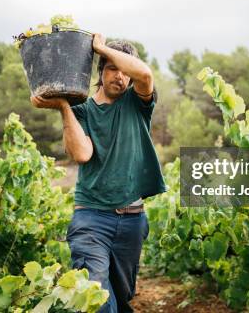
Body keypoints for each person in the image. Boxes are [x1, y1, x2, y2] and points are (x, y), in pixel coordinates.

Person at [31, 33, 166, 312]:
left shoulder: (137, 103)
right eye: (112, 69)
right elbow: (82, 154)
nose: (120, 77)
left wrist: (101, 48)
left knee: (121, 295)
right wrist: (64, 108)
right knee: (94, 294)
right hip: (91, 218)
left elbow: (144, 73)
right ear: (100, 72)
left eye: (124, 71)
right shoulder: (83, 111)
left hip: (133, 219)